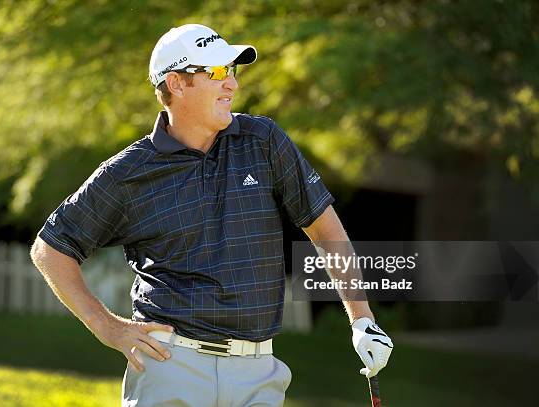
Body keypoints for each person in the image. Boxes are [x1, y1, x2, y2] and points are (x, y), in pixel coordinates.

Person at [30, 23, 393, 407]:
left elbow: (323, 227)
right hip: (170, 365)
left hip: (258, 371)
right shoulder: (128, 173)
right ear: (177, 84)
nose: (232, 85)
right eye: (217, 72)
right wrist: (106, 326)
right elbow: (49, 250)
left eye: (232, 71)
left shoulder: (263, 141)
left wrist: (361, 319)